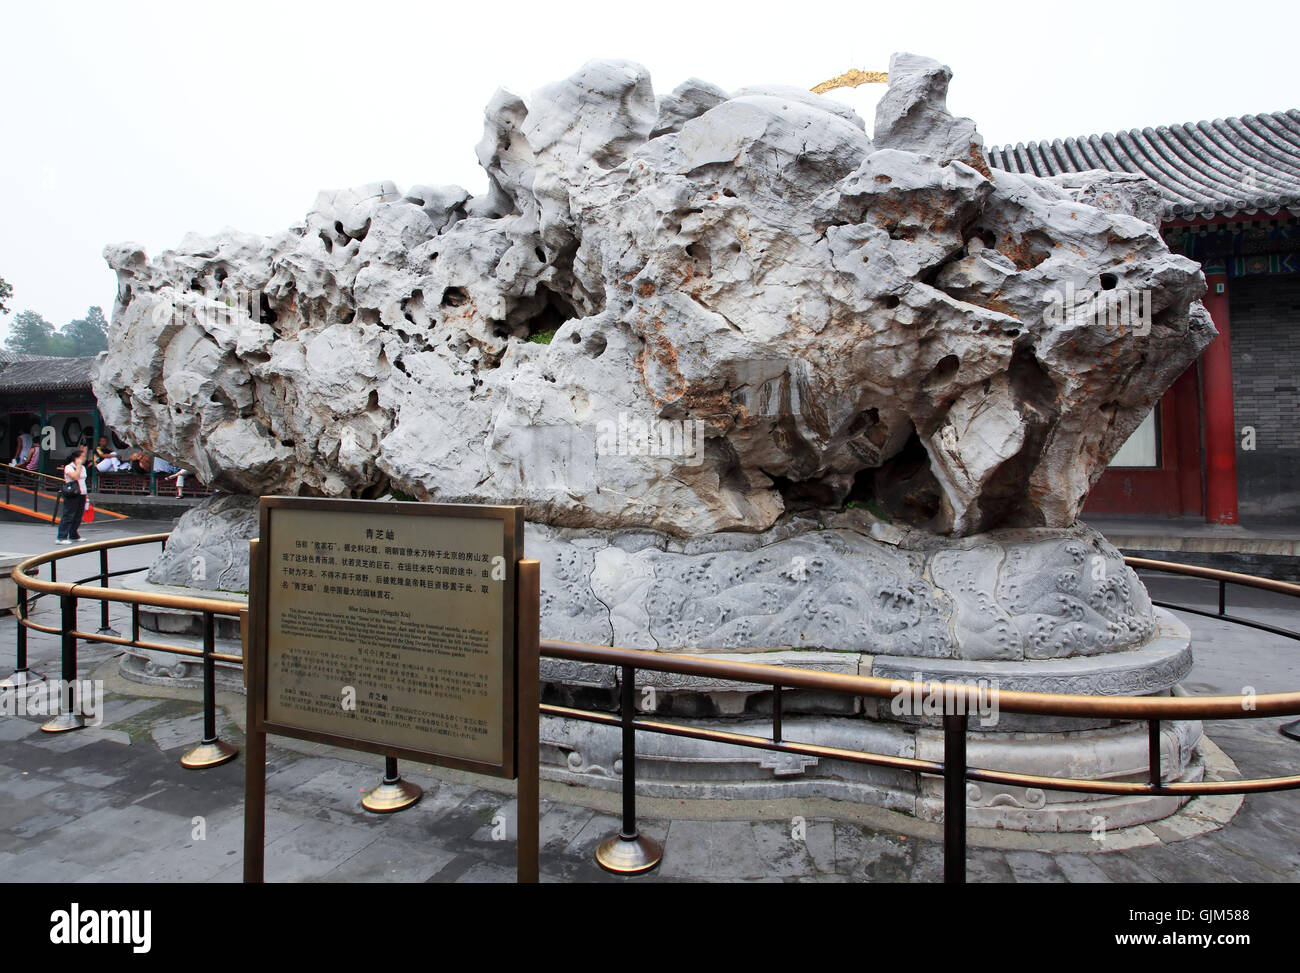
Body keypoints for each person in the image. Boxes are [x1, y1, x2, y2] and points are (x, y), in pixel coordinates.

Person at [55, 446, 88, 544]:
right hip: (72, 493)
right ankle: (61, 536)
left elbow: (83, 480)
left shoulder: (83, 467)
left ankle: (73, 534)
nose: (84, 458)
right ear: (76, 458)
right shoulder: (69, 467)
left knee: (78, 515)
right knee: (68, 515)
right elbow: (75, 477)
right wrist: (78, 466)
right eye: (82, 457)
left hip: (82, 492)